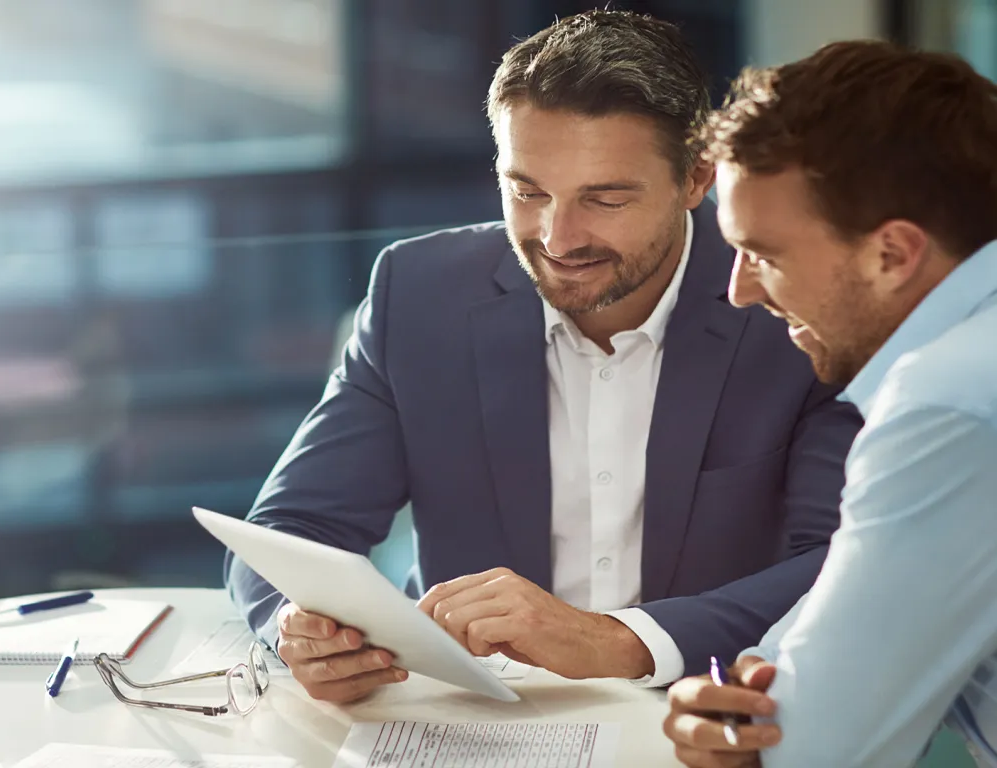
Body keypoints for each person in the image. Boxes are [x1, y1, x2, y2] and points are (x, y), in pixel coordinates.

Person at [226, 10, 860, 705]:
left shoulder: (791, 309)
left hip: (704, 710)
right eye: (527, 192)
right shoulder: (419, 295)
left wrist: (616, 640)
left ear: (696, 179)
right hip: (472, 715)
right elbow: (291, 531)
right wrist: (300, 626)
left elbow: (841, 565)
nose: (557, 237)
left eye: (605, 198)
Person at [662, 40, 997, 766]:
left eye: (765, 255)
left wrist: (756, 725)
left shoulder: (950, 405)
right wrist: (748, 701)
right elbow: (779, 690)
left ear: (893, 254)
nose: (741, 291)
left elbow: (810, 750)